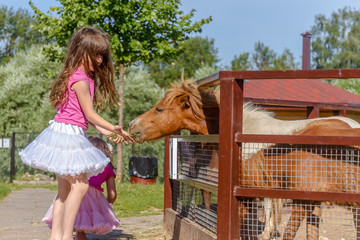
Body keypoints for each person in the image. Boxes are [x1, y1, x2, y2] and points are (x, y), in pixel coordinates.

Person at [19, 27, 134, 240]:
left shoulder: (79, 75)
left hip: (63, 132)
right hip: (68, 135)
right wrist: (112, 126)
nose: (100, 60)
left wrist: (107, 131)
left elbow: (85, 116)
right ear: (82, 52)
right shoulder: (80, 79)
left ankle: (56, 237)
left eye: (103, 55)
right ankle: (64, 236)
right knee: (80, 186)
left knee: (64, 192)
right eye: (96, 54)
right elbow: (90, 114)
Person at [43, 137, 120, 240]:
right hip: (94, 197)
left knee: (73, 212)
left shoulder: (79, 164)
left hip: (74, 192)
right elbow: (112, 195)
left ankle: (62, 234)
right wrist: (105, 204)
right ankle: (80, 234)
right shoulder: (107, 168)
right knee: (86, 214)